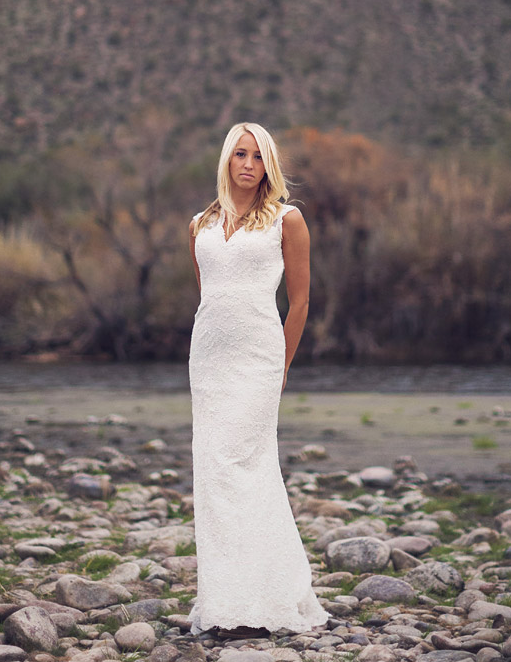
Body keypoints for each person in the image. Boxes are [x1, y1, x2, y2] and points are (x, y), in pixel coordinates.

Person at [187, 122, 329, 636]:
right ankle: (225, 601)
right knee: (214, 472)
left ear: (269, 165)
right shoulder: (199, 224)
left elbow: (300, 301)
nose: (248, 164)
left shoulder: (287, 221)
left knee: (245, 465)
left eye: (258, 156)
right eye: (239, 154)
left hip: (258, 362)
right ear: (226, 160)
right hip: (207, 364)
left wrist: (283, 365)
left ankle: (269, 596)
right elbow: (209, 298)